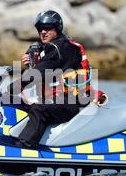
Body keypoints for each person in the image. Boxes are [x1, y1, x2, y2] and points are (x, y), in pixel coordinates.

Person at [17, 10, 92, 148]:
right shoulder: (52, 47)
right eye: (40, 29)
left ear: (57, 28)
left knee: (39, 109)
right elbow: (45, 72)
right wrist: (30, 65)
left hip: (71, 103)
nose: (43, 32)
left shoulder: (61, 48)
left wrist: (15, 85)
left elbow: (40, 72)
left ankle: (23, 147)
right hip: (59, 100)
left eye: (47, 28)